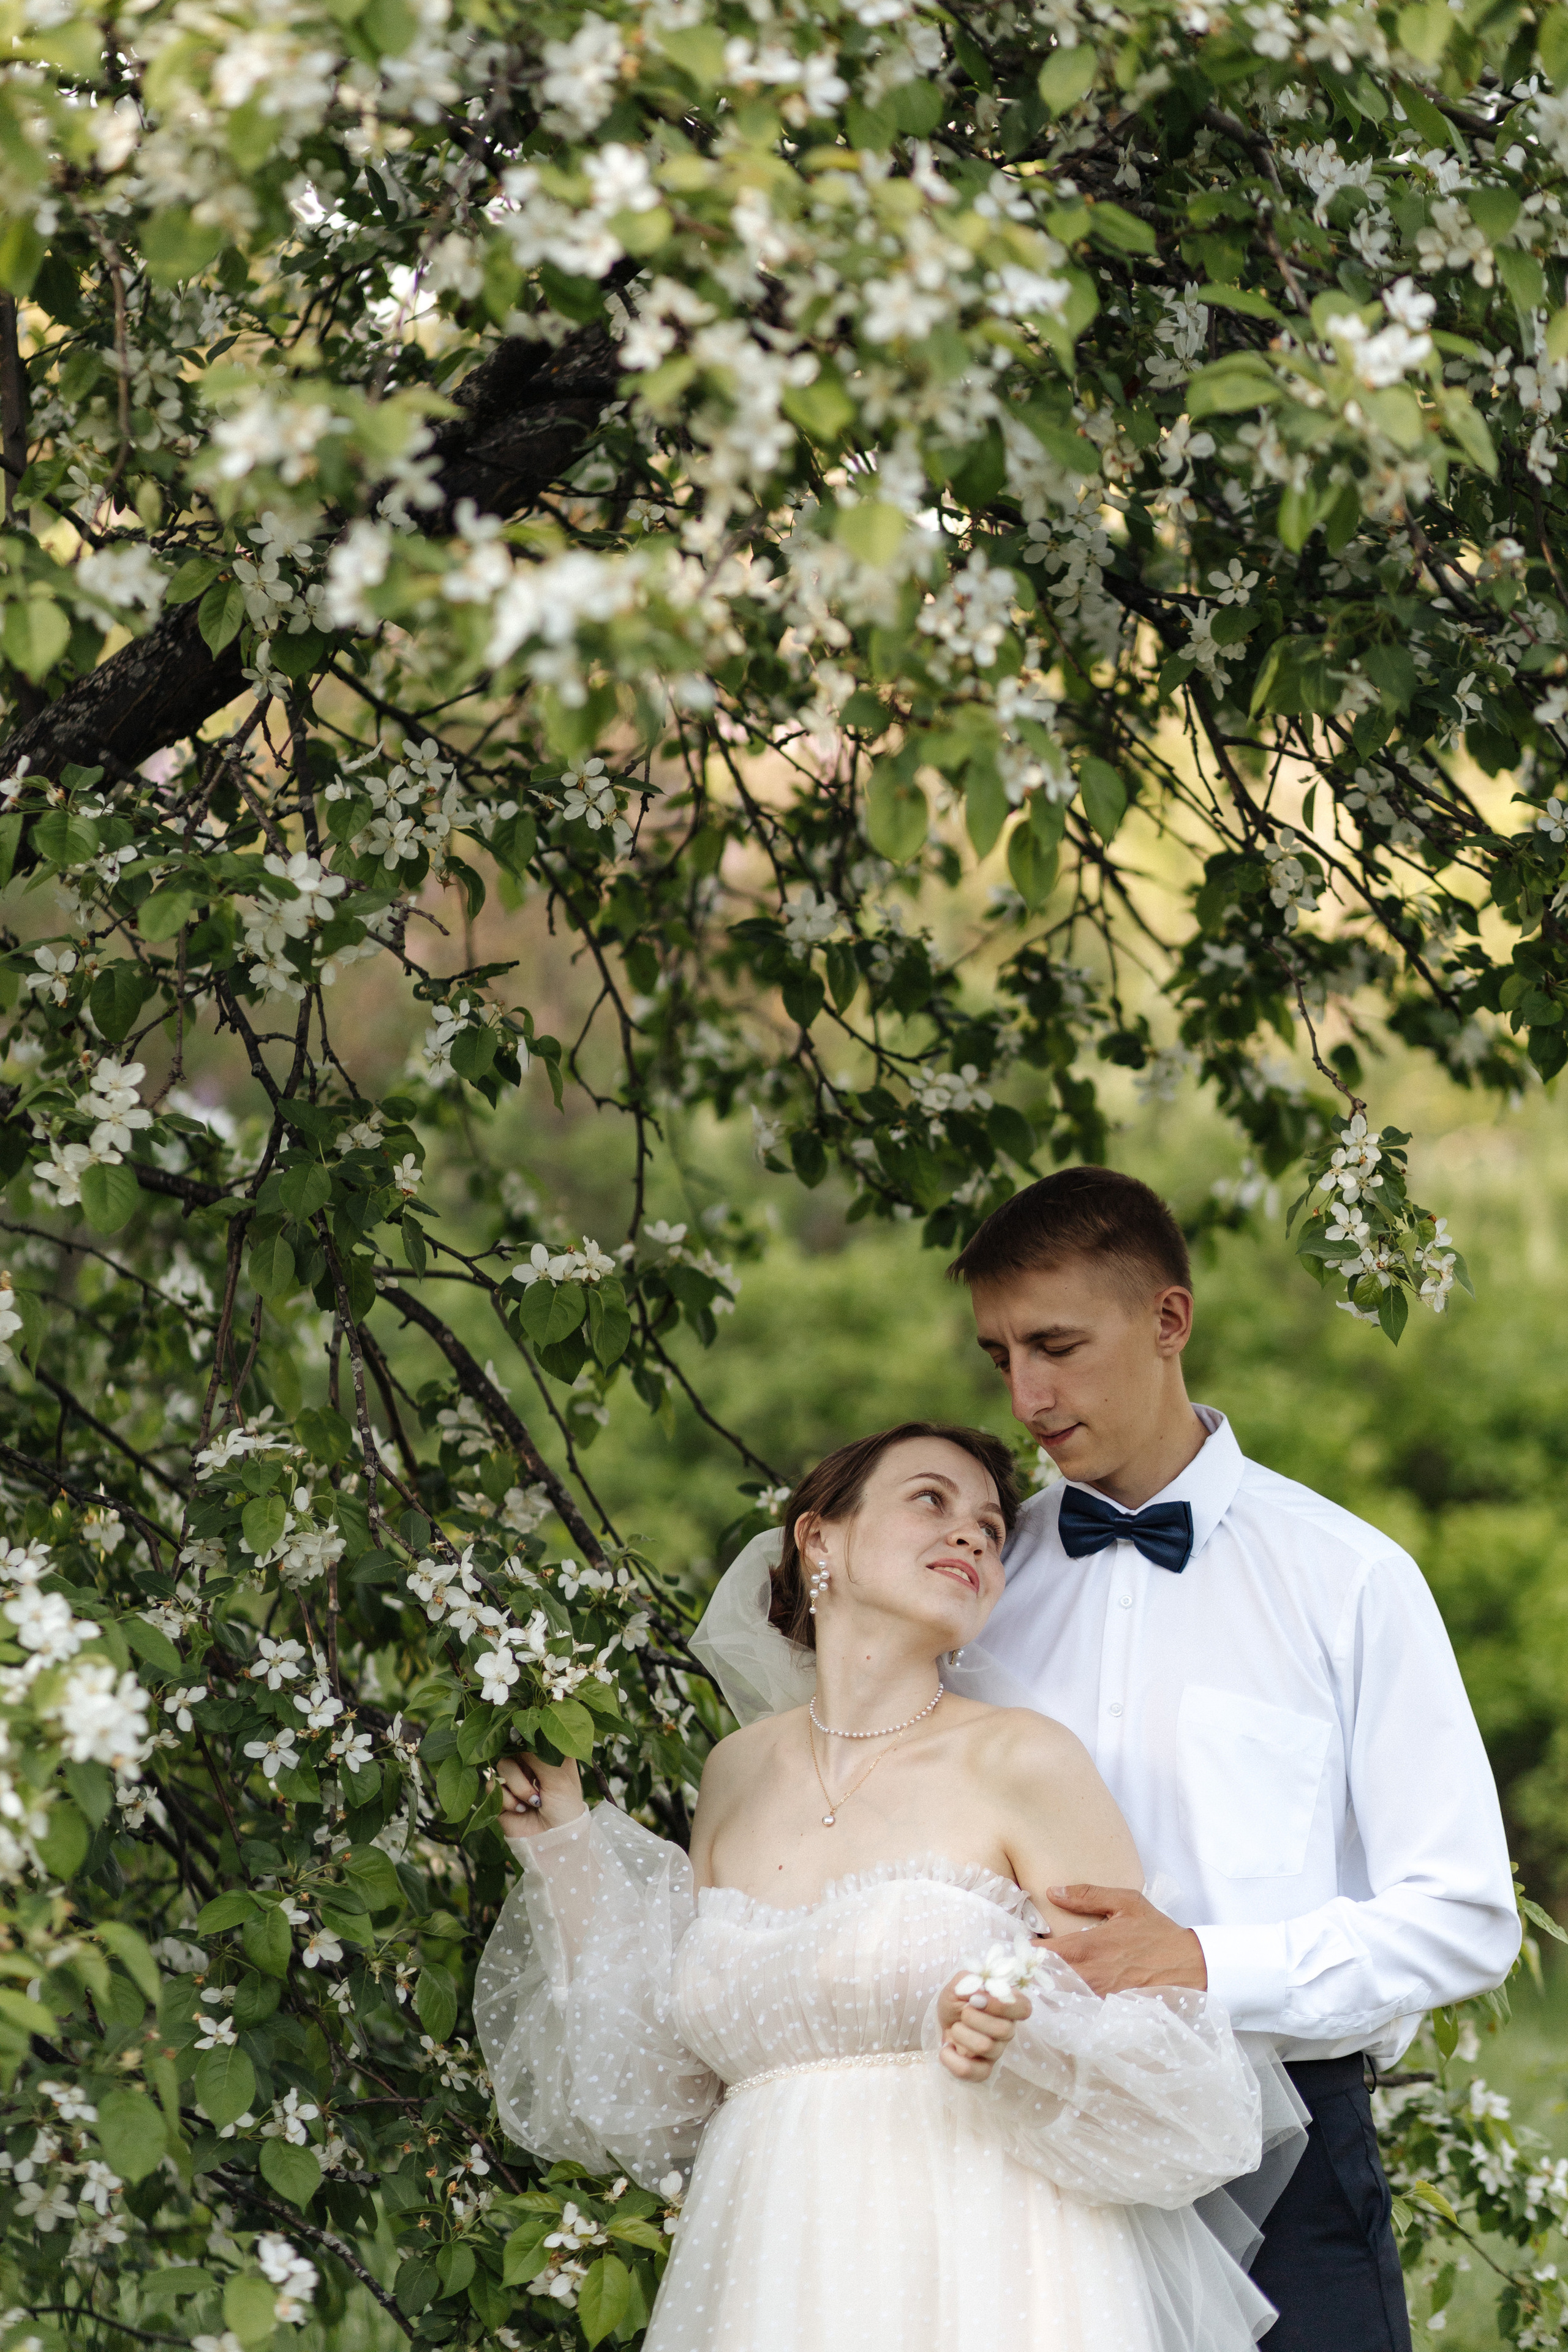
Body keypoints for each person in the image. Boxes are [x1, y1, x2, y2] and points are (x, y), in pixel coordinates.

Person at [476, 1423, 1305, 2352]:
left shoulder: (1024, 1758)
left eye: (993, 1531)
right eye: (932, 1502)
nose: (973, 1537)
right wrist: (566, 1851)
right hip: (766, 2268)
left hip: (983, 2258)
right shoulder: (734, 1774)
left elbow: (1178, 2078)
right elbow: (664, 2099)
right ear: (819, 1539)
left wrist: (1028, 2037)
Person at [946, 1165, 1521, 2352]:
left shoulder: (1347, 1579)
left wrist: (1202, 1961)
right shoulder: (976, 1593)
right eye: (997, 1355)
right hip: (1022, 2164)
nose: (1026, 1393)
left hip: (1287, 2161)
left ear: (1168, 1320)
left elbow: (1464, 1915)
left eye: (1054, 1343)